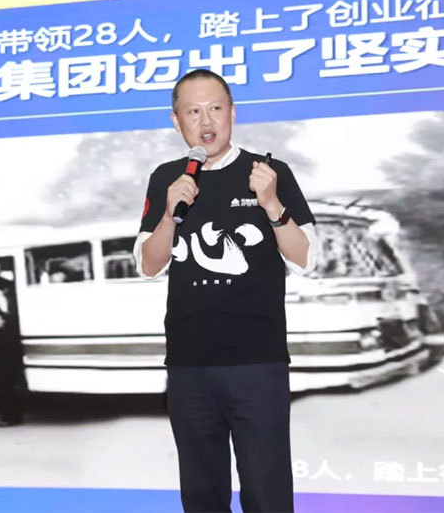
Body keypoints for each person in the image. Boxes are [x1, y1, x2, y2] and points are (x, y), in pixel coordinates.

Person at [134, 69, 319, 513]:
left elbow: (306, 258)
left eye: (215, 108)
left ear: (232, 113)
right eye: (193, 112)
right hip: (189, 365)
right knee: (201, 494)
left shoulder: (269, 173)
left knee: (267, 492)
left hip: (257, 361)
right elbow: (148, 264)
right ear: (177, 121)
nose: (206, 121)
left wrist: (271, 204)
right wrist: (168, 215)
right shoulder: (166, 178)